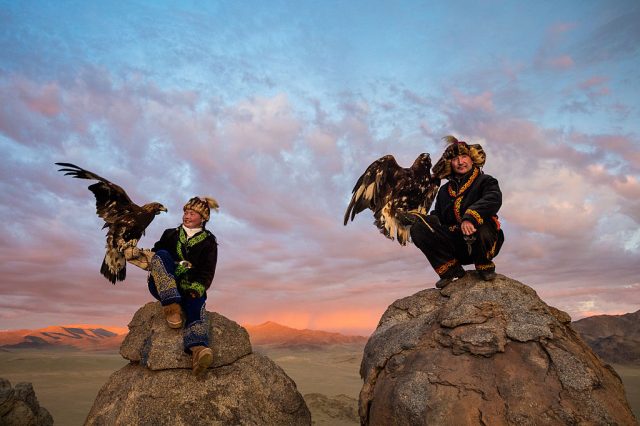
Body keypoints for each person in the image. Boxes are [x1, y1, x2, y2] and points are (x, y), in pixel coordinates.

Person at [125, 196, 219, 375]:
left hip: (188, 287)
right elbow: (156, 256)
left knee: (196, 304)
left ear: (203, 218)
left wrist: (197, 288)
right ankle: (171, 308)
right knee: (161, 253)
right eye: (185, 212)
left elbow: (207, 271)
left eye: (192, 213)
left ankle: (198, 351)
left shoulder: (209, 242)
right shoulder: (170, 233)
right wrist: (137, 254)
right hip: (161, 283)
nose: (186, 215)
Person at [410, 136, 504, 289]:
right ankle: (451, 270)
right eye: (455, 159)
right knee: (418, 228)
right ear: (450, 164)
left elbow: (493, 199)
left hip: (482, 240)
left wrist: (470, 218)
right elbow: (438, 218)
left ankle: (484, 266)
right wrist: (419, 219)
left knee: (483, 224)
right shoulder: (443, 191)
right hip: (456, 246)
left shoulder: (486, 181)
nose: (460, 162)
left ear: (472, 159)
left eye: (464, 156)